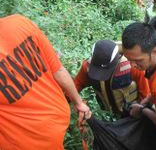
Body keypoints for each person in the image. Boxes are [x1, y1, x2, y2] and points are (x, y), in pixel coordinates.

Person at [0, 14, 91, 149]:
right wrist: (78, 103)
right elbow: (59, 71)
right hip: (55, 121)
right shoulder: (20, 23)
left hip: (23, 141)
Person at [74, 40, 150, 116]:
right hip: (107, 113)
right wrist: (77, 103)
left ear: (117, 59)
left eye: (104, 71)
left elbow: (145, 93)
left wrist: (140, 112)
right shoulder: (87, 67)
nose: (101, 75)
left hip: (130, 112)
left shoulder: (133, 66)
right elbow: (76, 85)